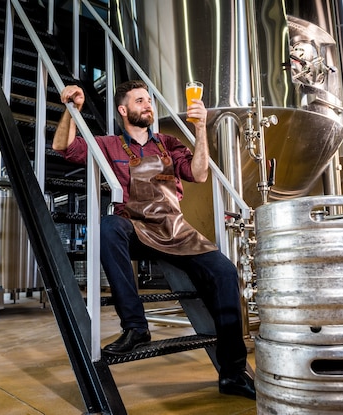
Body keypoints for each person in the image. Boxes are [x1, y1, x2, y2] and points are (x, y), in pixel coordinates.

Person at [52, 80, 255, 400]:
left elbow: (199, 174)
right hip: (135, 226)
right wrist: (71, 109)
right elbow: (64, 148)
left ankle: (232, 372)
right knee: (108, 227)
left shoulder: (169, 144)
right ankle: (135, 326)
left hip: (176, 229)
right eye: (139, 101)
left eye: (149, 100)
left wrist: (201, 128)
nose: (148, 105)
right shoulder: (109, 144)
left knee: (225, 272)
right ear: (124, 110)